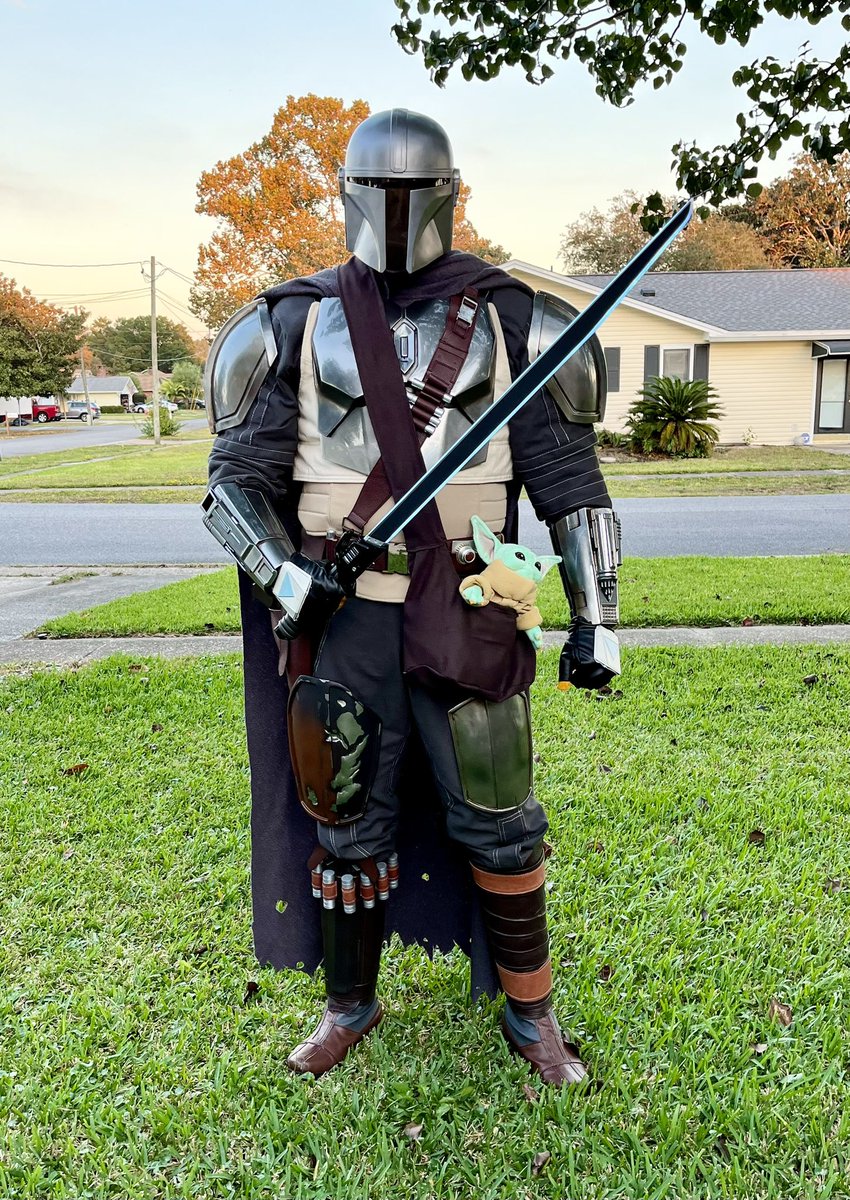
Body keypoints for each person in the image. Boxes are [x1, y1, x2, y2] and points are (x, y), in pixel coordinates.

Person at [202, 108, 620, 1085]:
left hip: (472, 604)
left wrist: (598, 620)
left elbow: (572, 490)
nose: (395, 211)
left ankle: (532, 1016)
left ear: (449, 194)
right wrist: (289, 577)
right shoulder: (288, 323)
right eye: (377, 191)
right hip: (341, 615)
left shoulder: (516, 319)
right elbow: (232, 488)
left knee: (502, 820)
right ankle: (348, 1006)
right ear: (347, 193)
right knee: (345, 816)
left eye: (413, 191)